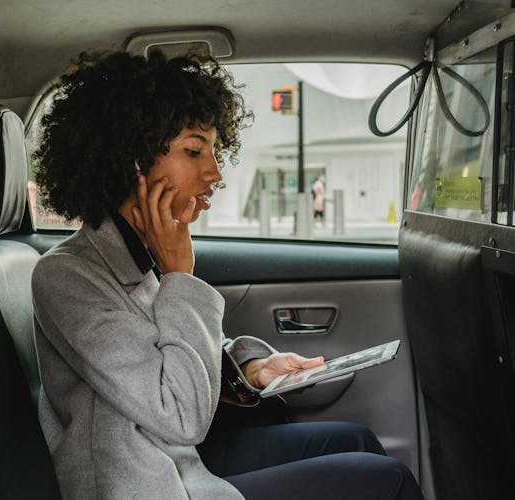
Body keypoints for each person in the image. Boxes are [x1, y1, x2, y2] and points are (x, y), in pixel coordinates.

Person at [31, 50, 422, 499]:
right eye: (194, 150)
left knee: (355, 441)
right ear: (130, 160)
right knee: (386, 482)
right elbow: (179, 415)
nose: (214, 172)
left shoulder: (143, 253)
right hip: (145, 484)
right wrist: (181, 276)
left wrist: (252, 369)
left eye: (213, 152)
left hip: (179, 461)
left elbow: (181, 355)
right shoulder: (67, 276)